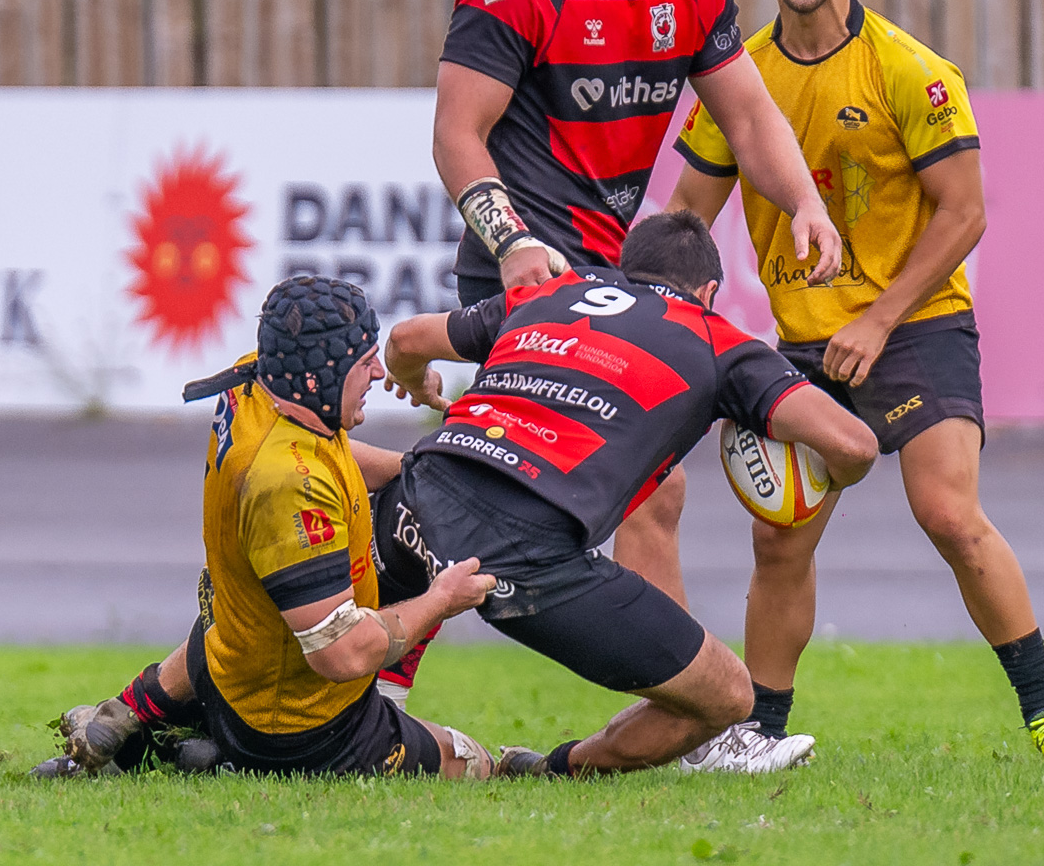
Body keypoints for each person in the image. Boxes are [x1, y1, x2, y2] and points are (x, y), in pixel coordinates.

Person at [663, 0, 1044, 772]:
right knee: (780, 536)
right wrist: (677, 322)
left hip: (918, 326)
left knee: (947, 513)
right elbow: (683, 225)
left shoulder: (908, 68)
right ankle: (763, 733)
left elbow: (965, 212)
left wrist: (878, 317)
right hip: (802, 344)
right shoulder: (740, 79)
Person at [432, 0, 839, 601]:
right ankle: (687, 712)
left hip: (609, 277)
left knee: (496, 492)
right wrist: (511, 241)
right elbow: (455, 136)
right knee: (641, 482)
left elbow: (752, 121)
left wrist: (807, 202)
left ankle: (677, 714)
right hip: (528, 270)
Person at [376, 211, 878, 777]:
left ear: (624, 268)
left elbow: (404, 338)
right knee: (728, 697)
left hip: (411, 499)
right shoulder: (718, 341)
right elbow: (855, 445)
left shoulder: (551, 294)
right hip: (526, 557)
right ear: (709, 292)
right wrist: (819, 482)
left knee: (371, 654)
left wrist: (416, 381)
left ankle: (372, 721)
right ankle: (554, 770)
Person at [35, 278, 498, 780]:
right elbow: (340, 653)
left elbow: (333, 457)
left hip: (237, 652)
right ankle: (223, 758)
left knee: (262, 606)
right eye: (363, 362)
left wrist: (417, 467)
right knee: (471, 760)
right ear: (322, 375)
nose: (378, 372)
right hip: (307, 727)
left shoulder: (256, 382)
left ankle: (144, 718)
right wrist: (442, 601)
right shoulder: (290, 487)